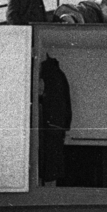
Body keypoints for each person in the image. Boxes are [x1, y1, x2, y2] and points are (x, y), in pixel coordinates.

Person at [37, 54, 72, 186]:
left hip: (51, 123)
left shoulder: (50, 74)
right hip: (58, 124)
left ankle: (46, 180)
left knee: (49, 155)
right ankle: (49, 180)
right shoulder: (60, 75)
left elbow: (45, 96)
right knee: (55, 156)